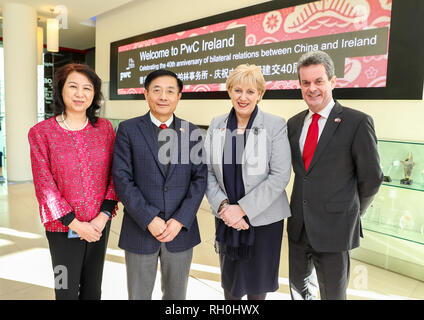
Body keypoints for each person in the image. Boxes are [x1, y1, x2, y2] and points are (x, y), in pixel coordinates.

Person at [287, 50, 383, 300]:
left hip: (335, 229)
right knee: (299, 292)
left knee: (332, 295)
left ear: (333, 81)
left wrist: (350, 212)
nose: (312, 88)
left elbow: (372, 178)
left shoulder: (357, 122)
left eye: (319, 81)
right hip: (298, 226)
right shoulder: (294, 124)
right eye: (305, 82)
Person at [112, 69, 207, 300]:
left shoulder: (192, 132)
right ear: (146, 95)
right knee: (138, 295)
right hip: (140, 229)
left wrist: (179, 220)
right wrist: (149, 218)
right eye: (157, 90)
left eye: (170, 91)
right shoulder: (128, 129)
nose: (163, 96)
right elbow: (122, 179)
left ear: (178, 97)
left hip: (180, 232)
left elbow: (200, 179)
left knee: (176, 297)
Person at [28, 63, 119, 300]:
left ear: (94, 94)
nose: (80, 94)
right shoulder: (41, 132)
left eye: (87, 88)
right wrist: (76, 224)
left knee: (93, 289)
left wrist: (102, 217)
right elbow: (44, 184)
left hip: (99, 224)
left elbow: (115, 175)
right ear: (61, 89)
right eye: (73, 86)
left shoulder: (105, 129)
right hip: (62, 228)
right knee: (65, 289)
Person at [205, 64, 292, 300]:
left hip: (263, 221)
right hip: (227, 219)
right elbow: (208, 172)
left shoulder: (275, 125)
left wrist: (242, 209)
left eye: (251, 92)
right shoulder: (216, 124)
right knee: (230, 287)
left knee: (257, 287)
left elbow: (280, 175)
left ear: (260, 95)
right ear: (230, 91)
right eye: (238, 90)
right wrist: (225, 208)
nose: (243, 97)